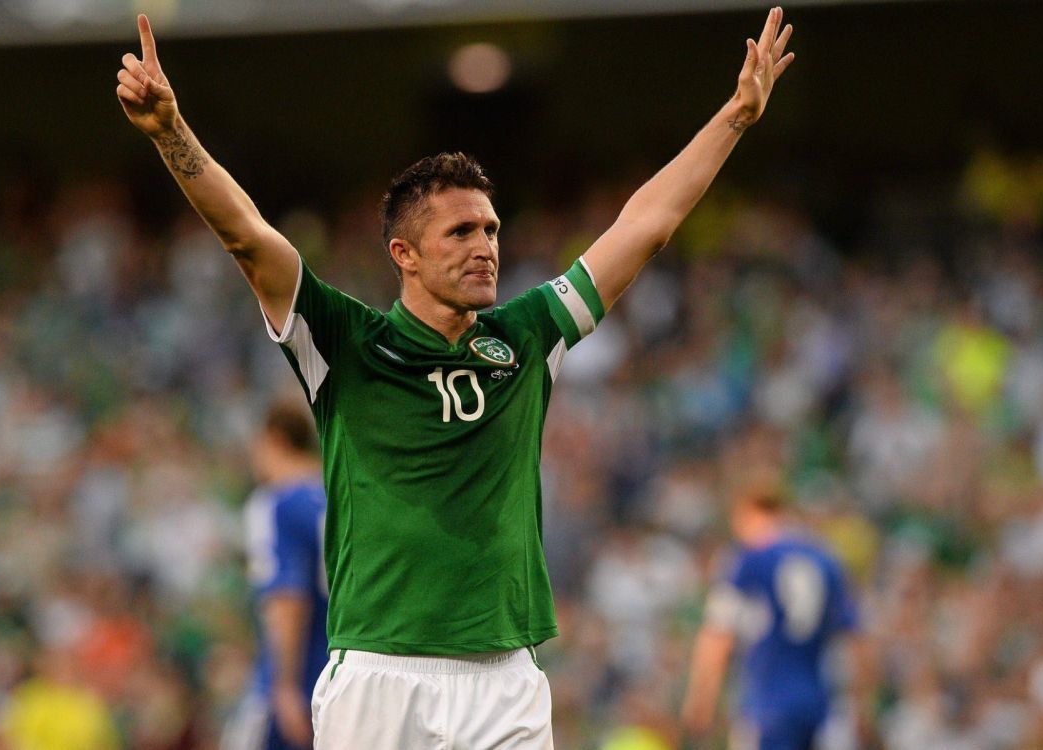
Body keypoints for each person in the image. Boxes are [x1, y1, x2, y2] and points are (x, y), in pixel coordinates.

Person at [115, 9, 794, 747]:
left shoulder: (527, 336)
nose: (486, 248)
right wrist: (169, 134)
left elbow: (645, 225)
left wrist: (735, 117)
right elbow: (248, 236)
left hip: (504, 678)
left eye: (493, 230)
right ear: (404, 253)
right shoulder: (348, 343)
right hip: (379, 675)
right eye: (462, 232)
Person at [681, 482, 869, 750]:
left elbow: (717, 635)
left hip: (768, 700)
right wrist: (861, 706)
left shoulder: (749, 560)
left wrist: (701, 700)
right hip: (822, 702)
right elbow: (856, 639)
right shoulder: (826, 559)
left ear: (748, 513)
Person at [222, 400, 328, 750]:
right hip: (348, 672)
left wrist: (284, 686)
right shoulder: (339, 495)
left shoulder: (276, 503)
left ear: (275, 440)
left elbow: (287, 597)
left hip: (300, 675)